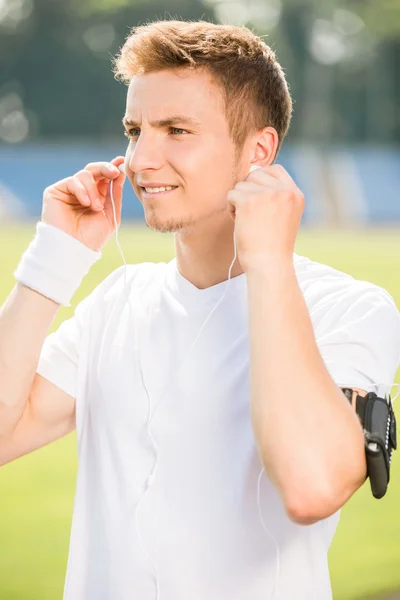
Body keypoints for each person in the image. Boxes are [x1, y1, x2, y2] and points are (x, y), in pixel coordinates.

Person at [0, 20, 399, 600]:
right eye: (135, 130)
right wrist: (54, 257)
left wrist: (268, 263)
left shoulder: (350, 308)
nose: (140, 159)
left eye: (177, 130)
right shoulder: (117, 302)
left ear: (258, 151)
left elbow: (312, 486)